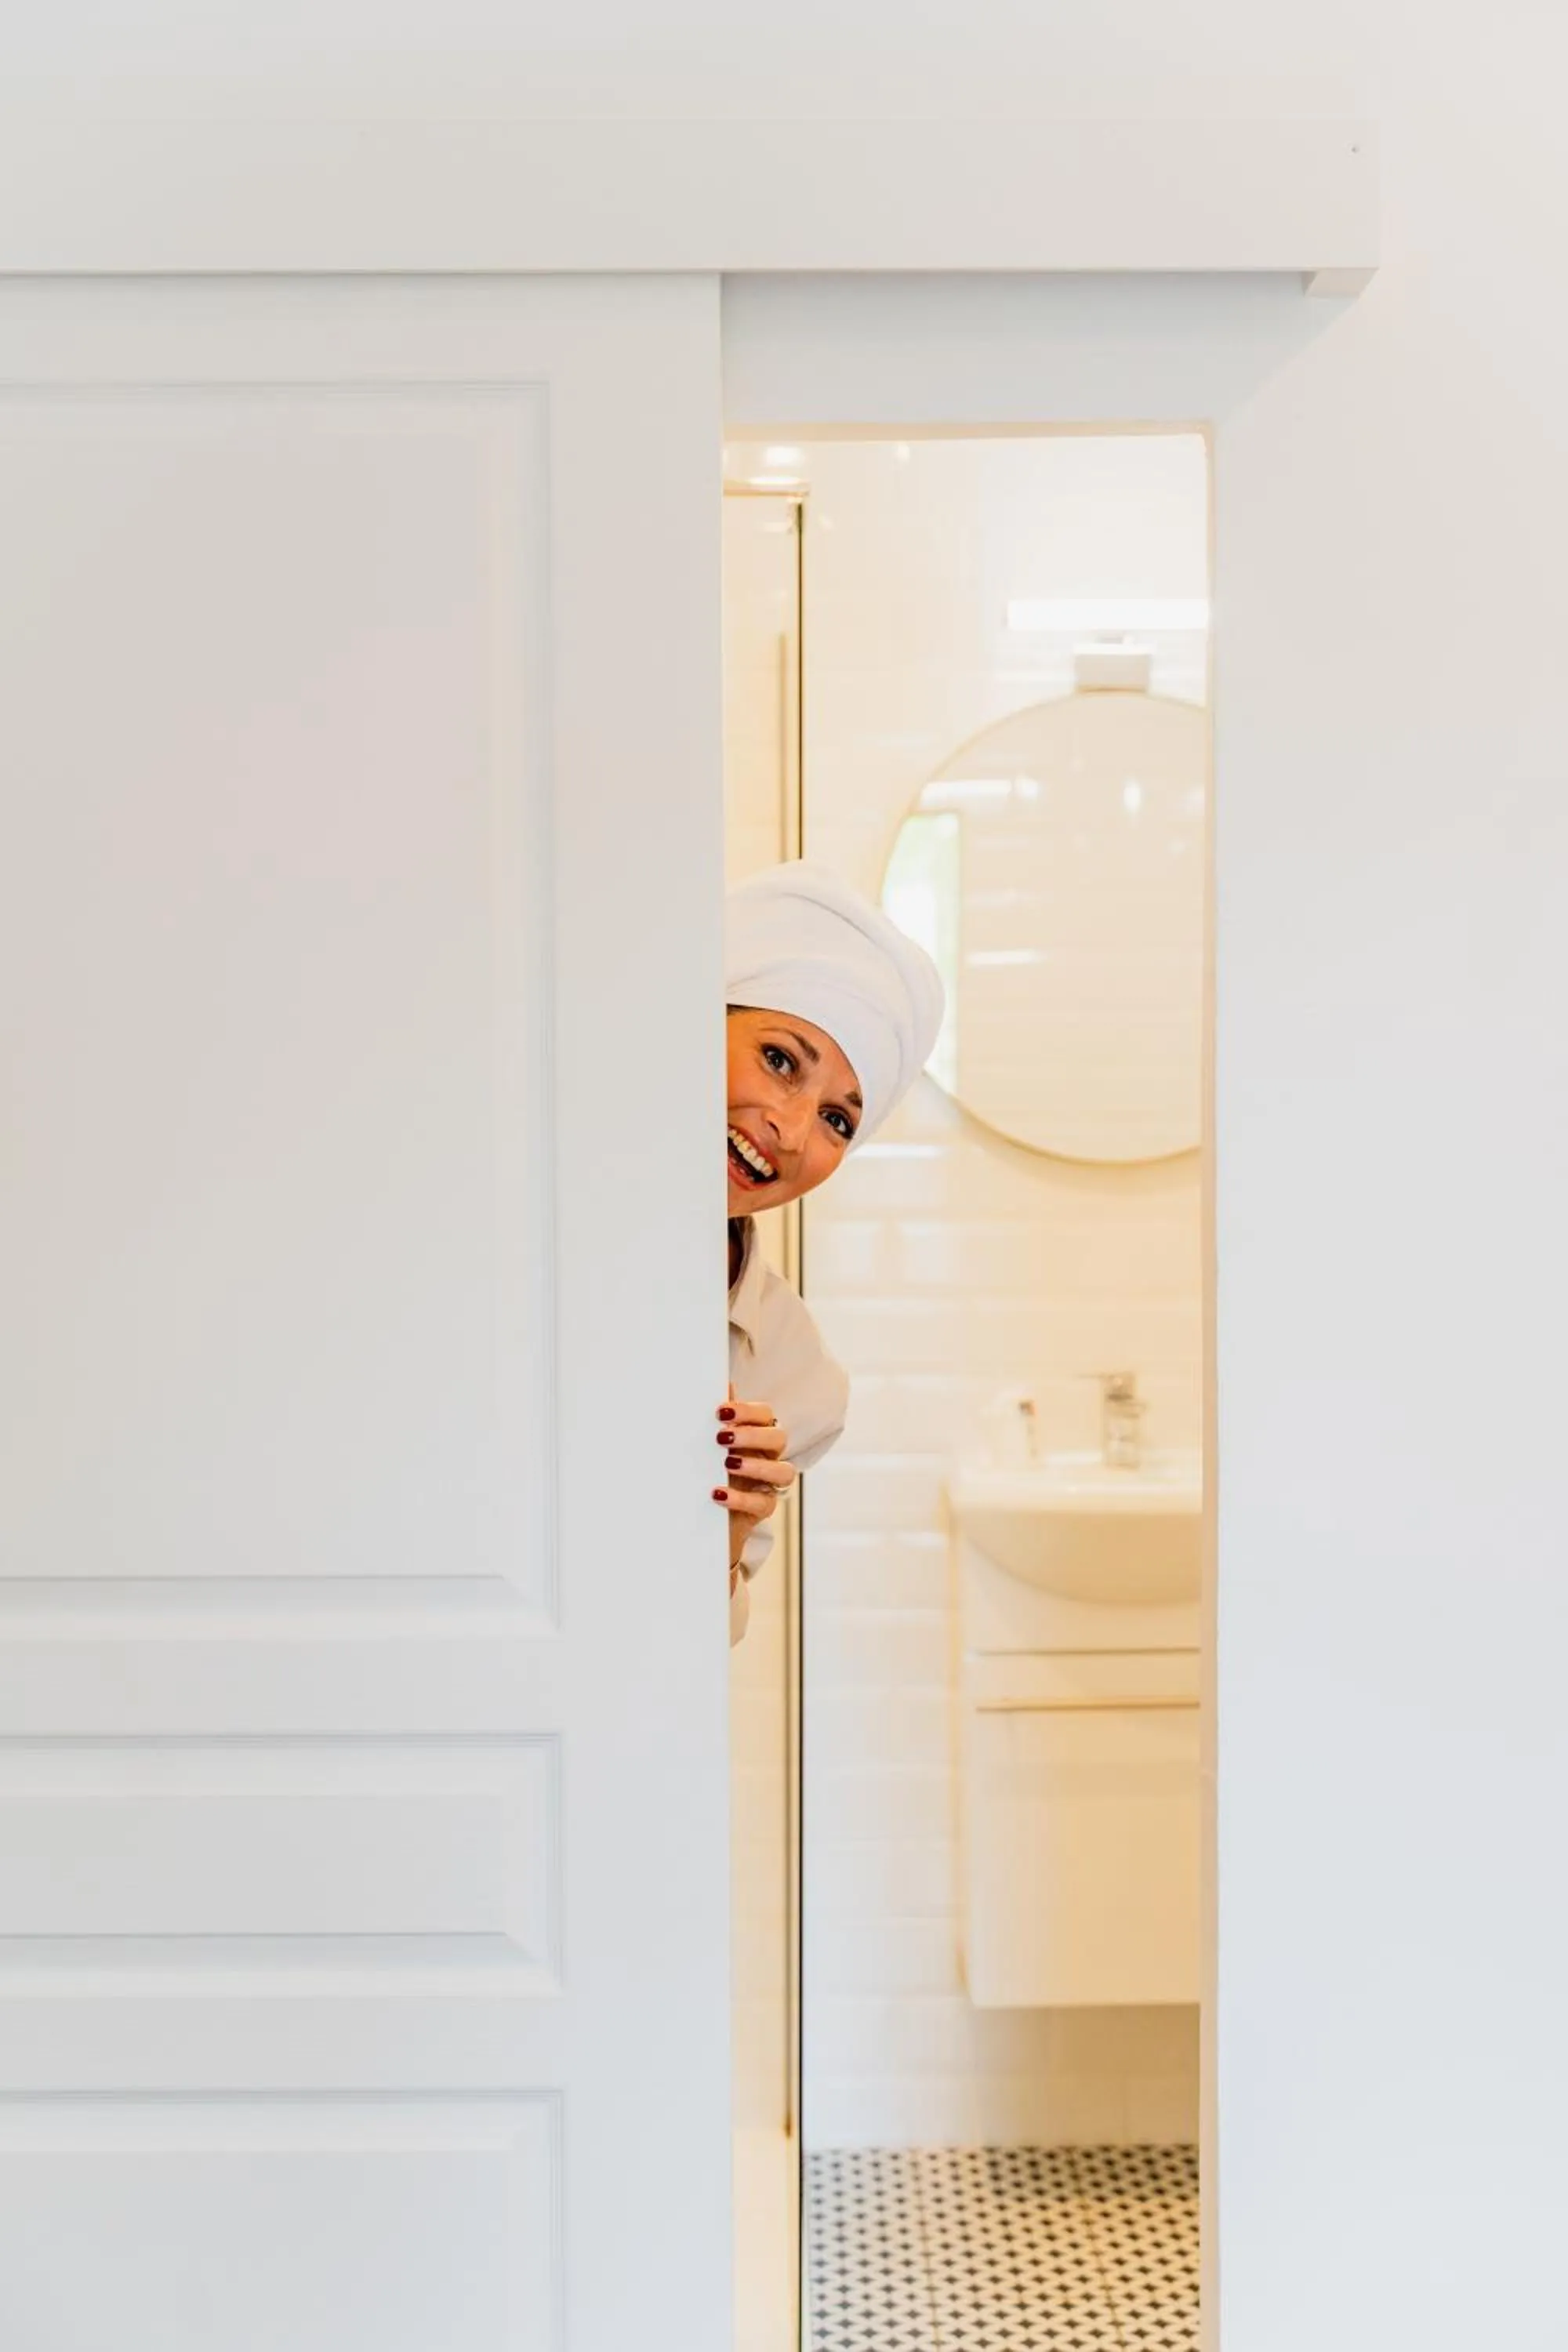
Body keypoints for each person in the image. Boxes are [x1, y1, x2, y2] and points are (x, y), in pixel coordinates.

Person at [717, 862, 944, 1642]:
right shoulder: (515, 1214)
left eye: (838, 1121)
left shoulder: (793, 1375)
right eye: (780, 1059)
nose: (788, 1129)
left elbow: (700, 1649)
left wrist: (725, 1545)